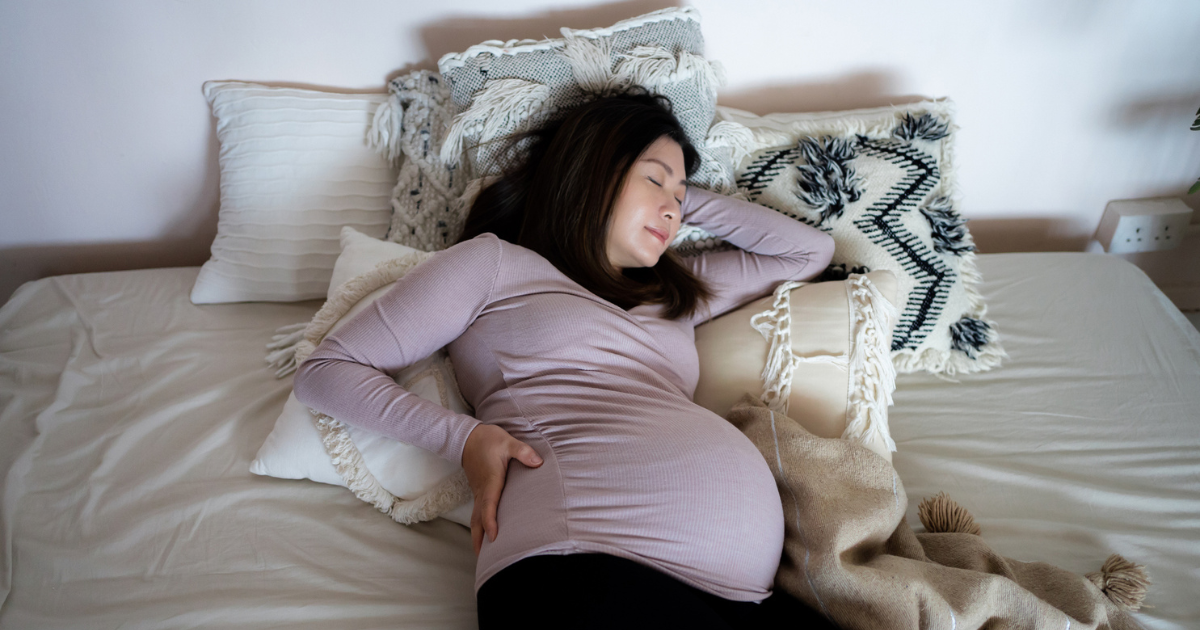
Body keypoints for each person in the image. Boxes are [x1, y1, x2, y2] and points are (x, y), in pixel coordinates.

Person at [292, 88, 838, 629]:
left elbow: (809, 253)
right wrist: (465, 439)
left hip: (741, 595)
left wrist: (675, 195)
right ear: (592, 172)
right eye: (653, 178)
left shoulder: (674, 294)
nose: (672, 207)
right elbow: (326, 371)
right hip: (585, 564)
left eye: (681, 192)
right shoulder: (494, 265)